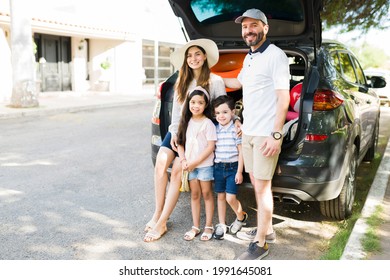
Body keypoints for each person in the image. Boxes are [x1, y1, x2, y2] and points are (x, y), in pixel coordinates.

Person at [143, 39, 226, 242]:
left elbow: (222, 109)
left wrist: (235, 123)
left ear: (205, 56)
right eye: (189, 55)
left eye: (197, 54)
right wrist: (173, 134)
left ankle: (162, 222)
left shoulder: (215, 81)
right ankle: (157, 212)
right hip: (179, 131)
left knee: (178, 169)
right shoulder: (182, 79)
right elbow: (178, 113)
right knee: (161, 162)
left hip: (198, 136)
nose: (193, 59)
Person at [223, 9, 290, 260]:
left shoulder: (276, 56)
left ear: (265, 28)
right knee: (259, 184)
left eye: (253, 25)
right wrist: (208, 75)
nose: (248, 30)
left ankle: (260, 244)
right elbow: (238, 84)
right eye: (244, 27)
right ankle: (268, 230)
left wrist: (276, 134)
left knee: (262, 189)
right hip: (249, 132)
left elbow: (283, 98)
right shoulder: (249, 58)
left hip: (265, 135)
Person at [176, 86, 216, 241]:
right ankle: (195, 226)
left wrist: (195, 162)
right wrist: (184, 160)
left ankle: (208, 225)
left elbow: (210, 146)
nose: (196, 105)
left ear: (205, 105)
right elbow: (180, 143)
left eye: (200, 102)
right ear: (188, 103)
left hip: (204, 165)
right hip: (190, 166)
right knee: (194, 194)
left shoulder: (208, 124)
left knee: (206, 193)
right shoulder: (185, 121)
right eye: (193, 102)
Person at [211, 95, 247, 240]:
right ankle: (221, 224)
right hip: (218, 167)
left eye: (225, 112)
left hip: (233, 168)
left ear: (233, 112)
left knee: (230, 197)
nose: (221, 116)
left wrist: (239, 171)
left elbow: (241, 151)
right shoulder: (214, 129)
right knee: (220, 196)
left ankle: (241, 217)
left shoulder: (236, 129)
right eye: (218, 113)